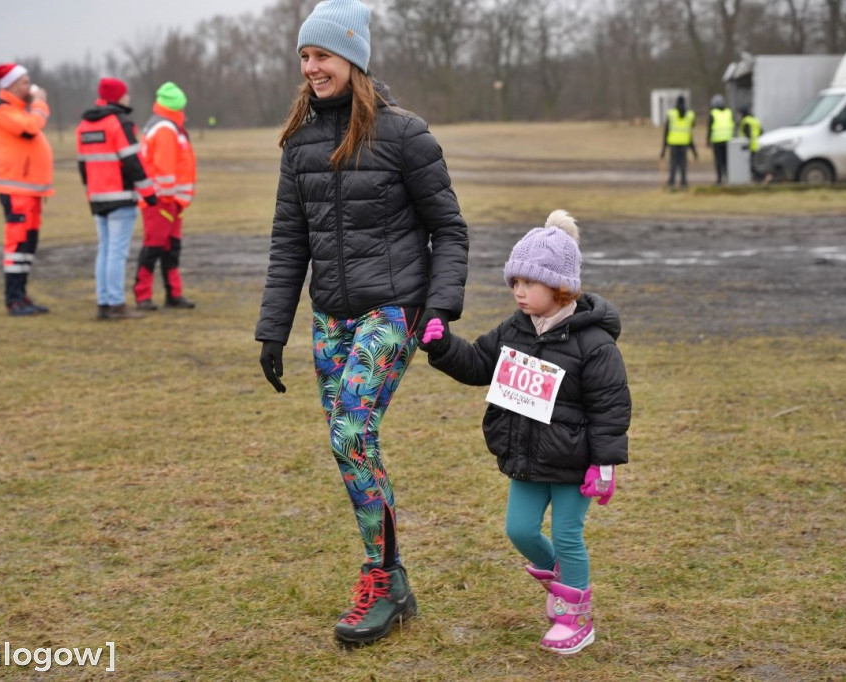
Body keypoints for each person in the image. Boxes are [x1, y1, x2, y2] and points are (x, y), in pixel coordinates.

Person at [254, 0, 469, 645]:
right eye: (304, 56)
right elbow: (289, 242)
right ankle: (390, 577)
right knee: (349, 444)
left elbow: (450, 230)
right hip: (330, 318)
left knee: (351, 431)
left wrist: (438, 311)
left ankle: (383, 577)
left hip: (393, 308)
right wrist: (272, 328)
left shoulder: (405, 134)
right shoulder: (298, 143)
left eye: (321, 55)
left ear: (352, 59)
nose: (310, 67)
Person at [421, 210, 631, 655]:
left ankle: (576, 616)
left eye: (529, 282)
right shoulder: (513, 329)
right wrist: (442, 346)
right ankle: (561, 576)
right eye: (514, 281)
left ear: (560, 287)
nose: (518, 291)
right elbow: (479, 363)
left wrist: (604, 463)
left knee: (568, 535)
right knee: (519, 530)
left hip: (575, 462)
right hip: (527, 456)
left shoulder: (594, 344)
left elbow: (610, 406)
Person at [76, 77, 157, 320]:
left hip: (97, 197)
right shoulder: (119, 122)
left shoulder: (84, 125)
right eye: (125, 94)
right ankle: (116, 304)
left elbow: (83, 165)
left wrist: (90, 192)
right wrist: (149, 193)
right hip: (120, 197)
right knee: (116, 252)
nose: (128, 97)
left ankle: (104, 302)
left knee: (105, 250)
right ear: (117, 97)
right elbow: (133, 161)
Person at [0, 63, 53, 316]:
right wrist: (40, 103)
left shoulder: (18, 109)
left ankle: (22, 295)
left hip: (31, 191)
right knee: (17, 246)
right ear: (11, 85)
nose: (29, 85)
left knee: (28, 246)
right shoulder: (1, 109)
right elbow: (31, 127)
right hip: (16, 190)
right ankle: (13, 300)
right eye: (24, 82)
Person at [133, 82, 197, 310]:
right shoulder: (165, 129)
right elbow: (165, 168)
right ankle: (143, 295)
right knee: (154, 247)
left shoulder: (167, 126)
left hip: (170, 201)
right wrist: (168, 199)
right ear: (176, 106)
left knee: (171, 247)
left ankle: (173, 294)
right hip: (161, 201)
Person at [660, 95, 698, 189]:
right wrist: (694, 151)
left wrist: (663, 149)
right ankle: (683, 181)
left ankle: (671, 182)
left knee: (673, 163)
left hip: (673, 142)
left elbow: (666, 131)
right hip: (684, 142)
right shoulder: (690, 115)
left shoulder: (671, 114)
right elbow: (691, 130)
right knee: (683, 163)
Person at [707, 94, 734, 184]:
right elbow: (733, 125)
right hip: (728, 140)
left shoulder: (713, 113)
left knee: (718, 161)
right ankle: (728, 177)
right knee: (727, 160)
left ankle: (719, 179)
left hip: (717, 141)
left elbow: (709, 128)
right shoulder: (729, 112)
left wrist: (708, 140)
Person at [737, 106, 763, 180]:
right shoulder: (755, 120)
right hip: (759, 144)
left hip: (750, 146)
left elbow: (748, 135)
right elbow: (761, 132)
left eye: (739, 114)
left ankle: (760, 177)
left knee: (751, 165)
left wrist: (745, 145)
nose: (738, 116)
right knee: (756, 163)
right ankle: (759, 177)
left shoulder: (745, 121)